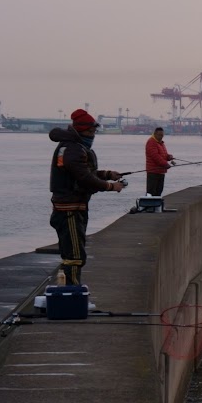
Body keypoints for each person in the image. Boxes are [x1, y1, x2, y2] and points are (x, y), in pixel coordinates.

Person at [48, 109, 124, 285]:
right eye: (91, 132)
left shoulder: (71, 147)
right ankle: (72, 294)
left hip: (72, 207)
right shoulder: (73, 149)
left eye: (94, 132)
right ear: (81, 131)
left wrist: (107, 174)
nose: (93, 136)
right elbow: (84, 177)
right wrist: (111, 186)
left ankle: (69, 292)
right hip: (70, 210)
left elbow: (82, 173)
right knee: (75, 256)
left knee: (72, 254)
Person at [144, 125, 175, 196]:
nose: (161, 137)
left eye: (162, 135)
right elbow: (155, 156)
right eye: (159, 135)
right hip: (153, 171)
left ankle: (156, 206)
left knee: (159, 191)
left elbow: (163, 155)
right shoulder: (151, 142)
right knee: (151, 192)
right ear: (155, 134)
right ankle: (149, 206)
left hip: (160, 171)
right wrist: (165, 164)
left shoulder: (161, 143)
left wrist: (169, 157)